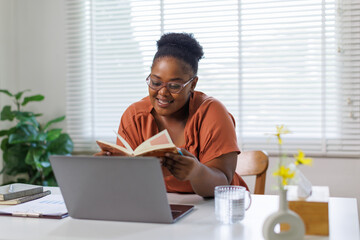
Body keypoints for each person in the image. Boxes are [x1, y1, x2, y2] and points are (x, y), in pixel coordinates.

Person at [100, 32, 248, 197]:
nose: (162, 92)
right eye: (155, 82)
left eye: (174, 86)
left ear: (192, 84)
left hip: (217, 206)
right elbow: (128, 184)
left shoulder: (212, 113)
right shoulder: (135, 116)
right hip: (162, 205)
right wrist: (107, 169)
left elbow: (223, 182)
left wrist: (196, 172)